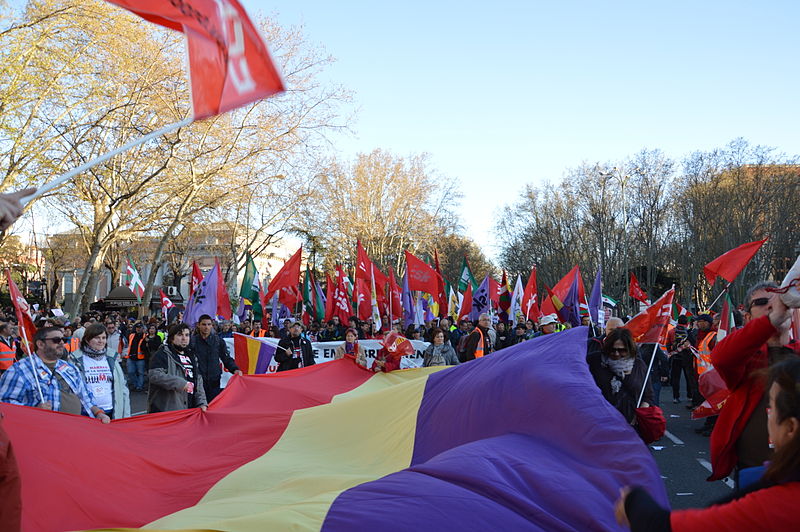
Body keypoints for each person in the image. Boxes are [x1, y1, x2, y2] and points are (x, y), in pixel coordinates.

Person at [615, 357, 800, 531]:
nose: (767, 415)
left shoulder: (774, 505)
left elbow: (665, 526)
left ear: (790, 427)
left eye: (771, 407)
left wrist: (633, 502)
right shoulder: (768, 481)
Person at [707, 283, 800, 484]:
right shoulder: (748, 360)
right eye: (763, 302)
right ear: (748, 317)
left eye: (781, 301)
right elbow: (721, 358)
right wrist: (771, 321)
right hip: (755, 474)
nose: (773, 305)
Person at [0, 327, 111, 423]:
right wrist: (33, 410)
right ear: (40, 344)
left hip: (77, 428)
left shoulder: (69, 368)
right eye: (56, 340)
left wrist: (98, 413)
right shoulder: (19, 371)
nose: (62, 343)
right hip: (45, 432)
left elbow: (85, 396)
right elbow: (5, 404)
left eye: (63, 339)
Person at [587, 327, 653, 426]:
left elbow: (648, 395)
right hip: (599, 424)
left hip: (630, 426)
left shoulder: (638, 365)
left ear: (630, 349)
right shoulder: (594, 361)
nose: (616, 354)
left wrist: (639, 416)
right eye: (612, 350)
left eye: (622, 350)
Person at [68, 323, 130, 419]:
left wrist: (126, 415)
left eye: (104, 338)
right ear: (87, 339)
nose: (101, 341)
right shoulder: (75, 359)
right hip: (86, 413)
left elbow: (123, 388)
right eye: (97, 338)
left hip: (112, 411)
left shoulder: (111, 358)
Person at [148, 323, 208, 413]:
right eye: (180, 335)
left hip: (190, 409)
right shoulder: (162, 354)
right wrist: (180, 383)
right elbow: (154, 375)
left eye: (187, 335)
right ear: (172, 338)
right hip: (168, 411)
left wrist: (202, 402)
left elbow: (198, 382)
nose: (184, 338)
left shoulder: (192, 357)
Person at [190, 315, 241, 402]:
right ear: (198, 325)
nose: (206, 327)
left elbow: (226, 358)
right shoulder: (192, 341)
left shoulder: (218, 341)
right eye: (204, 324)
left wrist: (235, 369)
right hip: (198, 382)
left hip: (214, 382)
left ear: (212, 325)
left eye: (209, 324)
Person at [668, 315, 701, 405]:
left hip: (675, 357)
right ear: (687, 323)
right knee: (688, 377)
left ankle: (676, 397)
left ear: (678, 321)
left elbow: (668, 344)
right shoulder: (688, 332)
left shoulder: (672, 331)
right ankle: (689, 395)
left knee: (676, 378)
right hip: (687, 358)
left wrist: (671, 353)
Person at [126, 323, 147, 392]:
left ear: (143, 329)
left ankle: (139, 386)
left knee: (141, 373)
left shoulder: (145, 336)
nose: (138, 329)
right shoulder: (131, 335)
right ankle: (135, 384)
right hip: (131, 356)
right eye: (137, 327)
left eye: (140, 327)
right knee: (130, 372)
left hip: (140, 358)